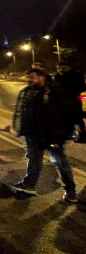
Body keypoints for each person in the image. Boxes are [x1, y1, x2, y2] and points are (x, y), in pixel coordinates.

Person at [11, 68, 77, 202]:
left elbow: (66, 113)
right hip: (33, 134)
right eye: (28, 77)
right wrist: (18, 127)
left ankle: (71, 192)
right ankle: (29, 185)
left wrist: (63, 133)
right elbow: (21, 112)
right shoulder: (26, 92)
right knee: (34, 161)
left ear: (43, 77)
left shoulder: (55, 92)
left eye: (33, 77)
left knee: (60, 162)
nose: (30, 79)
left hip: (52, 135)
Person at [53, 61, 86, 143]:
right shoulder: (57, 76)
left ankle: (83, 136)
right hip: (61, 102)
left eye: (63, 68)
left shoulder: (76, 76)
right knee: (64, 119)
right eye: (58, 68)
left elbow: (82, 88)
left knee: (77, 119)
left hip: (73, 101)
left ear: (69, 68)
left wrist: (70, 90)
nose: (60, 70)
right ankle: (68, 134)